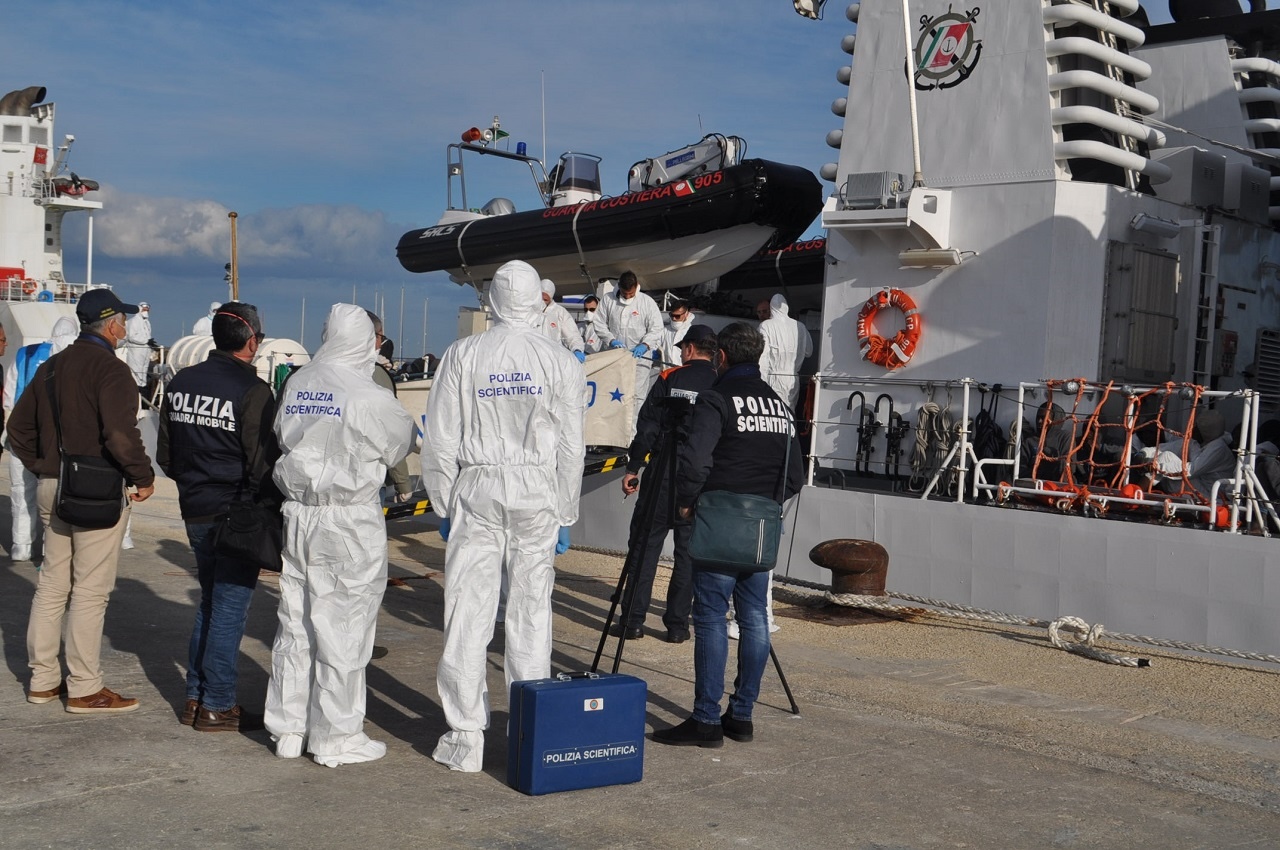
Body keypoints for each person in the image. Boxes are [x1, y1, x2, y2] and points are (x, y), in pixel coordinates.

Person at [422, 259, 586, 773]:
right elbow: (570, 447)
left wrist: (444, 502)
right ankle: (527, 732)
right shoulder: (559, 359)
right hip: (537, 487)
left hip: (478, 485)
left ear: (492, 300)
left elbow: (440, 436)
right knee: (532, 611)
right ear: (539, 300)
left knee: (468, 610)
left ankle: (465, 737)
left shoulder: (464, 354)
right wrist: (566, 511)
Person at [265, 304, 414, 766]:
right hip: (348, 519)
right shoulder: (368, 396)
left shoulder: (299, 381)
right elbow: (401, 443)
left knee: (296, 621)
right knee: (343, 626)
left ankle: (288, 729)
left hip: (300, 513)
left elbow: (280, 432)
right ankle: (336, 736)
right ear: (368, 341)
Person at [654, 322, 803, 748]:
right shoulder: (780, 406)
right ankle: (741, 716)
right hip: (761, 524)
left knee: (710, 617)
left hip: (719, 517)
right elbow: (795, 475)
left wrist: (686, 500)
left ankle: (704, 720)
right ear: (758, 357)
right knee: (755, 618)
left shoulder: (716, 399)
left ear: (721, 356)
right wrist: (764, 502)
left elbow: (696, 459)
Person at [10, 289, 155, 714]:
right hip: (95, 490)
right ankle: (84, 687)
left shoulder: (52, 368)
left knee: (53, 584)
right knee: (90, 591)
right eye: (123, 321)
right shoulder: (112, 371)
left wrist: (45, 466)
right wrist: (143, 478)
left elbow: (17, 428)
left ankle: (41, 681)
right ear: (111, 325)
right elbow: (120, 434)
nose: (125, 327)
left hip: (52, 485)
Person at [157, 302, 279, 732]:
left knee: (210, 604)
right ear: (252, 341)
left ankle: (195, 697)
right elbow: (264, 463)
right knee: (228, 608)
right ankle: (218, 703)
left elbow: (166, 457)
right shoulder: (253, 390)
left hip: (195, 507)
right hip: (235, 512)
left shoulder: (182, 382)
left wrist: (199, 480)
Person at [613, 324, 719, 643]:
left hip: (663, 472)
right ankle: (676, 627)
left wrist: (634, 467)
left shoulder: (668, 378)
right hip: (700, 477)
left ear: (688, 349)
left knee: (645, 547)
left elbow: (646, 427)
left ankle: (632, 622)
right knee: (687, 555)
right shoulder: (720, 383)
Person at [5, 317, 78, 565]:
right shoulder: (78, 356)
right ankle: (51, 550)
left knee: (21, 491)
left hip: (21, 435)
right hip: (56, 438)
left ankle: (21, 546)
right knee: (56, 492)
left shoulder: (25, 354)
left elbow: (8, 396)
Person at [593, 271, 664, 407]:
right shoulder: (608, 300)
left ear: (636, 286)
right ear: (619, 286)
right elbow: (599, 323)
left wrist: (645, 344)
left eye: (630, 294)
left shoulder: (646, 302)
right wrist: (611, 340)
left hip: (640, 359)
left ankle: (632, 428)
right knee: (612, 393)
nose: (627, 297)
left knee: (636, 397)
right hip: (615, 356)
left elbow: (656, 328)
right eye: (625, 294)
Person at [366, 311, 414, 504]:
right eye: (380, 337)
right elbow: (390, 434)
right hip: (365, 485)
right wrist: (402, 482)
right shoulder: (375, 376)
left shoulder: (304, 377)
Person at [756, 294, 813, 409]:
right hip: (793, 378)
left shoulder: (766, 326)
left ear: (771, 308)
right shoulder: (800, 326)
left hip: (773, 377)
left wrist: (759, 381)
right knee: (789, 413)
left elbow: (762, 356)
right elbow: (809, 351)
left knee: (771, 412)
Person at [537, 279, 586, 362]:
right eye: (540, 299)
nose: (542, 302)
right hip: (532, 358)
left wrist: (577, 349)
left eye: (545, 300)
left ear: (550, 298)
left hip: (554, 359)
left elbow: (572, 335)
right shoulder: (529, 311)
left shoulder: (560, 312)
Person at [124, 302, 153, 395]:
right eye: (144, 309)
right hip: (137, 350)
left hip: (145, 350)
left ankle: (143, 390)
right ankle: (136, 391)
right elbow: (132, 336)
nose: (146, 311)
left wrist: (150, 343)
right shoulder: (133, 321)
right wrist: (146, 340)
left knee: (144, 370)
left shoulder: (147, 322)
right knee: (136, 370)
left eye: (147, 309)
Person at [661, 299, 695, 367]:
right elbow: (656, 344)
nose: (674, 318)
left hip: (684, 372)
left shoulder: (692, 331)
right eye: (671, 315)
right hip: (667, 371)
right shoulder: (665, 329)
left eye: (677, 316)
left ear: (686, 314)